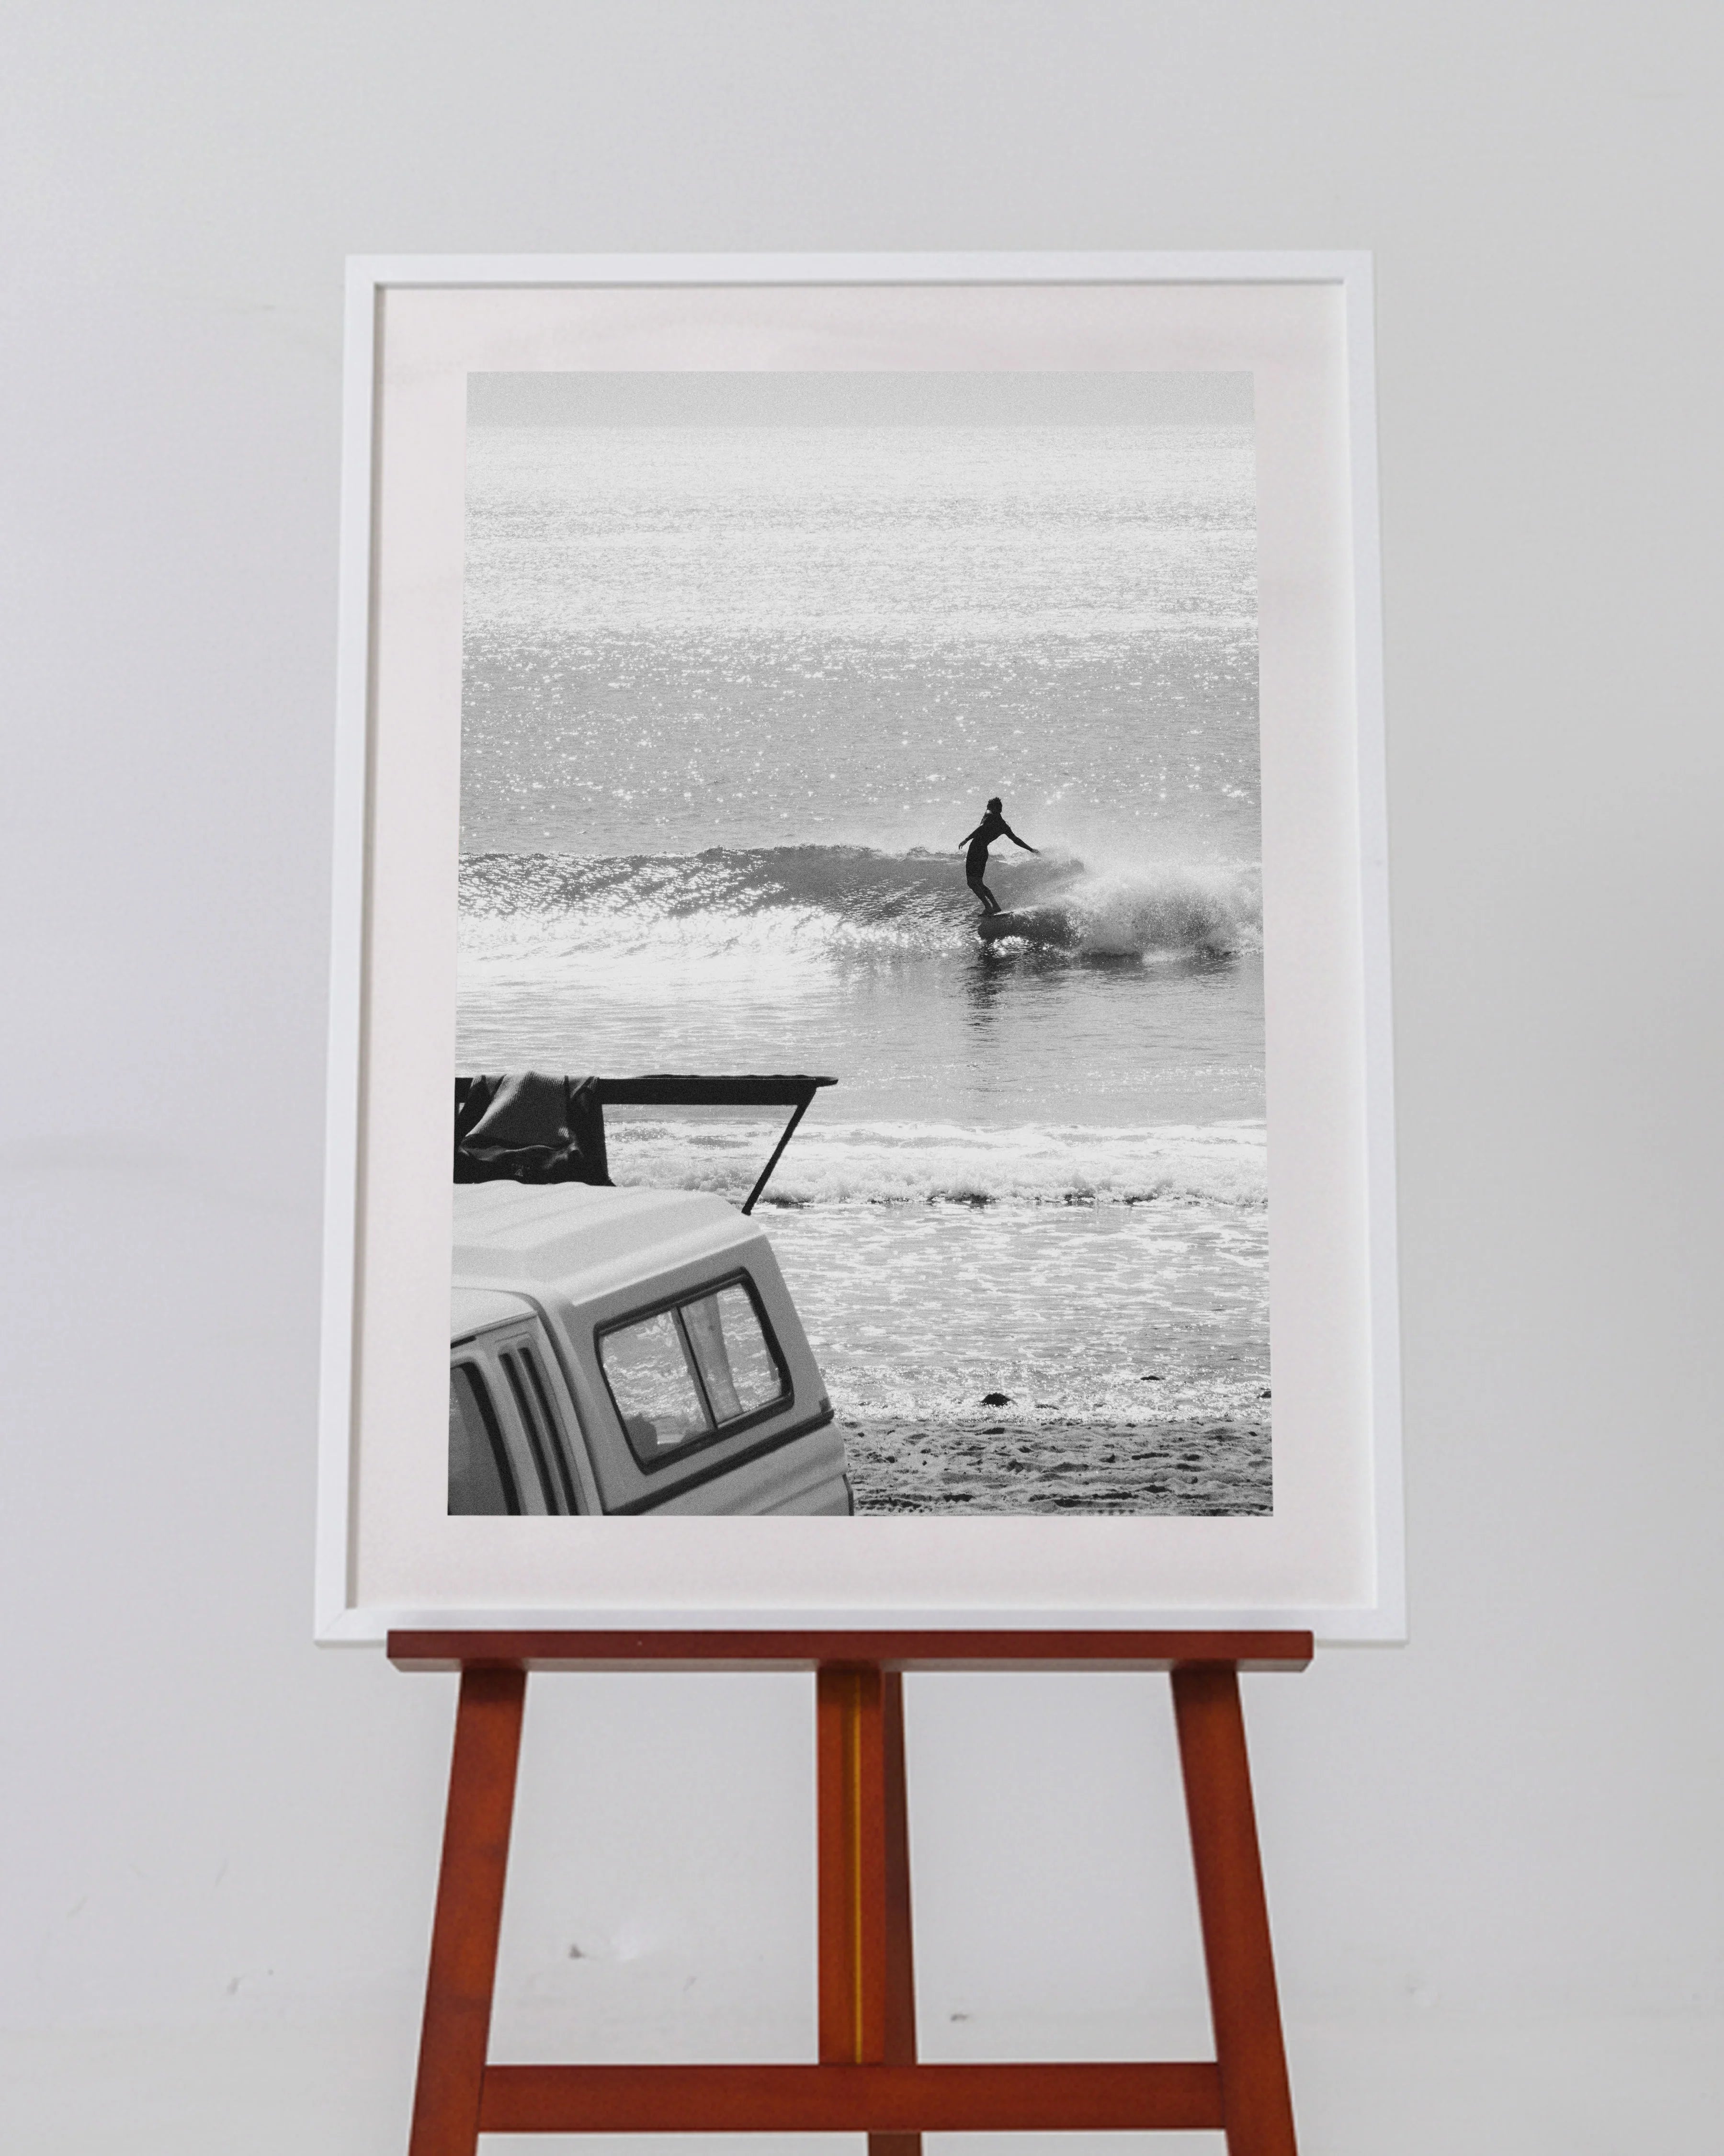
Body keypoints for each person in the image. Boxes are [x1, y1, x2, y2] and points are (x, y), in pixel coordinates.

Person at [960, 796, 1038, 915]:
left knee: (972, 882)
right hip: (984, 851)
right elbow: (1016, 840)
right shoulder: (1004, 826)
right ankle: (995, 906)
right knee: (979, 882)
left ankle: (988, 907)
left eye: (988, 807)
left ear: (992, 807)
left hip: (976, 849)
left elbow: (981, 829)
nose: (987, 809)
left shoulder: (989, 814)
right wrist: (1031, 849)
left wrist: (966, 839)